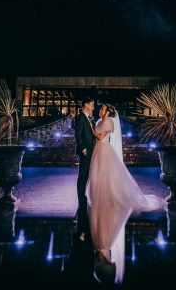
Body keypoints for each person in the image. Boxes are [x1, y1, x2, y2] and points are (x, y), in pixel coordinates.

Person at [86, 103, 167, 284]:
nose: (100, 110)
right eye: (100, 109)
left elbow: (100, 136)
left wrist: (91, 128)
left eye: (103, 109)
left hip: (104, 149)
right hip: (98, 151)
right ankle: (102, 197)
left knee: (107, 176)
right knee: (99, 176)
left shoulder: (108, 123)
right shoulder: (101, 119)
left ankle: (109, 197)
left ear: (108, 112)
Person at [74, 96, 96, 242]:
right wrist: (83, 149)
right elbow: (78, 134)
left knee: (88, 175)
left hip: (91, 150)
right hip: (86, 151)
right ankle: (81, 199)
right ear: (86, 105)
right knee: (83, 175)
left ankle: (84, 197)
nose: (94, 106)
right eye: (92, 104)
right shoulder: (80, 117)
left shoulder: (89, 118)